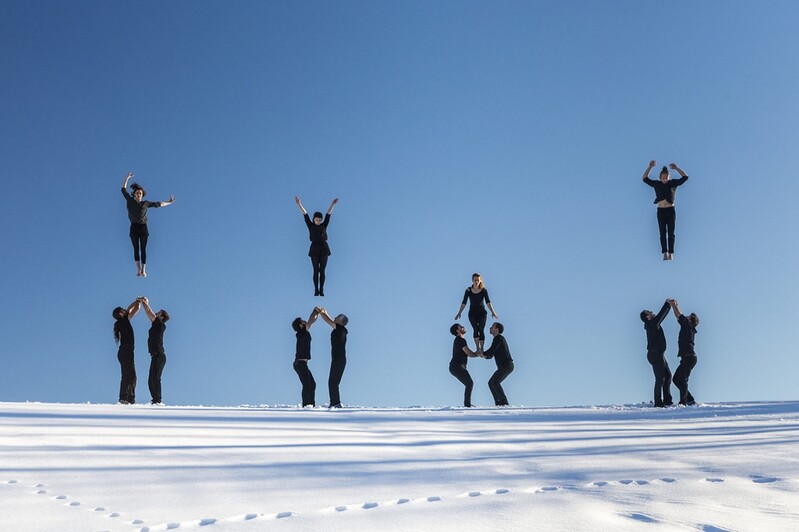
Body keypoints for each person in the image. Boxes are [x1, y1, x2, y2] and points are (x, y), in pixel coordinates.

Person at [121, 172, 175, 277]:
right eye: (137, 193)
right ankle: (138, 270)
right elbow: (123, 189)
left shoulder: (146, 203)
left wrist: (169, 202)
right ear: (134, 194)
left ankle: (144, 270)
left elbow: (159, 204)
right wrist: (126, 178)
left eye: (140, 193)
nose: (138, 194)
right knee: (136, 248)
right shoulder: (130, 200)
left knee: (143, 249)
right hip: (134, 227)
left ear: (142, 194)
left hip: (143, 227)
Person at [642, 161, 689, 260]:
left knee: (671, 233)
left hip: (670, 210)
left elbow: (685, 177)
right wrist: (649, 167)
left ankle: (671, 252)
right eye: (663, 177)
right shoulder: (657, 184)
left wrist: (676, 168)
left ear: (669, 177)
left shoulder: (673, 183)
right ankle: (664, 252)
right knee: (662, 233)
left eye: (666, 177)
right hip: (661, 211)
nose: (665, 179)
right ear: (660, 177)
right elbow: (645, 179)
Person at [295, 196, 339, 296]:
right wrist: (299, 204)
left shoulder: (324, 226)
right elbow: (305, 214)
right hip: (314, 249)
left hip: (324, 249)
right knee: (315, 270)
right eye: (316, 220)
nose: (318, 221)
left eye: (319, 220)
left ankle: (321, 290)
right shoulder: (310, 226)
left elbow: (328, 214)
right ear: (314, 219)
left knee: (322, 270)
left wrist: (332, 204)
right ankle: (316, 290)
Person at [641, 300, 674, 407]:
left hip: (659, 354)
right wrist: (668, 304)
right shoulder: (651, 324)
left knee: (668, 376)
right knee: (660, 379)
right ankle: (658, 402)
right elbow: (661, 315)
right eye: (649, 312)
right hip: (655, 354)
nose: (651, 311)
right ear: (647, 316)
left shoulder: (652, 324)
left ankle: (667, 400)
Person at [454, 273, 498, 352]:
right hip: (472, 313)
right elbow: (464, 302)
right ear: (472, 280)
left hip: (482, 313)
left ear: (480, 280)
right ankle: (477, 348)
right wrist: (459, 312)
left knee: (481, 329)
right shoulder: (468, 290)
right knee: (475, 329)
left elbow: (488, 302)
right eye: (475, 280)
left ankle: (482, 348)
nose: (476, 281)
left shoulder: (484, 290)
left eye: (478, 280)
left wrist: (493, 312)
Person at [667, 299, 700, 406]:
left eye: (689, 316)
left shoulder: (688, 326)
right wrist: (674, 306)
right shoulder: (687, 326)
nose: (686, 316)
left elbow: (679, 316)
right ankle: (689, 399)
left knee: (682, 380)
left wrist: (674, 305)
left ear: (691, 320)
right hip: (687, 358)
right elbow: (679, 317)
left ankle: (684, 401)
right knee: (677, 379)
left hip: (689, 358)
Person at [140, 296, 170, 405]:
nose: (156, 313)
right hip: (155, 356)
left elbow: (149, 312)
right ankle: (155, 400)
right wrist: (144, 303)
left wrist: (145, 302)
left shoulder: (160, 324)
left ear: (161, 317)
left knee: (155, 379)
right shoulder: (156, 324)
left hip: (159, 356)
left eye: (158, 313)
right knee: (151, 380)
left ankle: (157, 400)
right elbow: (150, 314)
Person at [316, 306, 348, 408]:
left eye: (338, 317)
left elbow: (328, 320)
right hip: (337, 359)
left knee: (333, 382)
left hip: (339, 359)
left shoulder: (340, 329)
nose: (335, 317)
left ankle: (336, 403)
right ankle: (335, 402)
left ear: (341, 321)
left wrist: (321, 312)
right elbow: (331, 321)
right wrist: (325, 312)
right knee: (333, 382)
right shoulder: (339, 328)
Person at [112, 299, 141, 404]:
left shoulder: (123, 321)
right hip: (126, 351)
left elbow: (133, 308)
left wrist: (137, 301)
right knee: (128, 375)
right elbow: (135, 308)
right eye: (122, 310)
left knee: (131, 376)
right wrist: (138, 301)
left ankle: (129, 399)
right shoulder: (124, 320)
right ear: (121, 313)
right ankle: (124, 398)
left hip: (126, 351)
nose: (125, 310)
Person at [292, 309, 321, 407]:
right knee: (307, 384)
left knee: (312, 384)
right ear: (300, 325)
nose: (305, 321)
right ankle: (306, 405)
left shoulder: (303, 332)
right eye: (302, 321)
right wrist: (315, 311)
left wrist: (316, 313)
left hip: (302, 364)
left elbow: (311, 321)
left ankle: (311, 405)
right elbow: (311, 320)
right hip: (300, 364)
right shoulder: (301, 333)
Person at [482, 322, 514, 406]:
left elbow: (491, 350)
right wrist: (484, 355)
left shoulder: (499, 338)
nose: (490, 328)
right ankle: (498, 402)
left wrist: (483, 353)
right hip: (504, 366)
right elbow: (491, 355)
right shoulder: (496, 339)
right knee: (491, 382)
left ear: (496, 329)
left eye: (492, 326)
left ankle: (504, 403)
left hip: (507, 365)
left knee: (495, 381)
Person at [449, 324, 480, 407]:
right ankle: (467, 404)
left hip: (456, 366)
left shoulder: (460, 340)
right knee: (469, 383)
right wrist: (479, 354)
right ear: (457, 330)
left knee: (469, 383)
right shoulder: (460, 340)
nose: (463, 327)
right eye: (460, 327)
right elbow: (469, 353)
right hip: (456, 366)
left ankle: (467, 404)